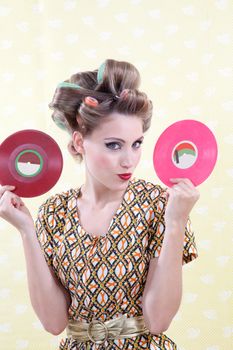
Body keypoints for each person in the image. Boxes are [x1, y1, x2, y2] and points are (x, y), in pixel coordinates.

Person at [0, 59, 200, 350]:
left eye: (137, 143)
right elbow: (54, 323)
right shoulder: (54, 212)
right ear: (80, 142)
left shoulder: (160, 204)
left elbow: (158, 321)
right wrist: (27, 231)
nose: (129, 160)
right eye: (114, 145)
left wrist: (177, 222)